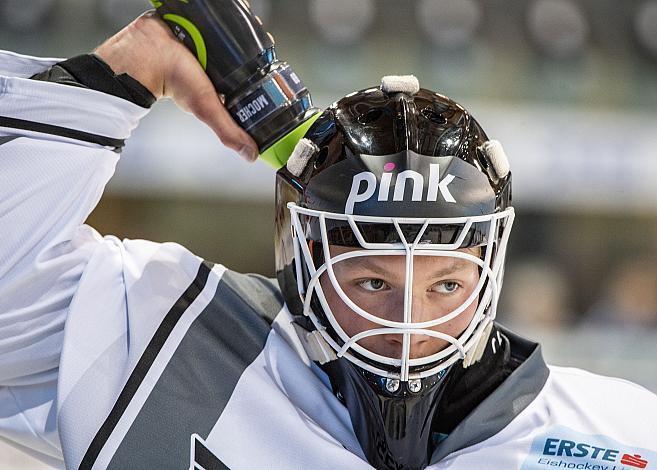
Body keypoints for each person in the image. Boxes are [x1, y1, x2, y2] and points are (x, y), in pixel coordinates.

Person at [1, 11, 656, 470]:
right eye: (372, 281)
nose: (408, 323)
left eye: (445, 284)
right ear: (301, 258)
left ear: (488, 271)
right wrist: (128, 67)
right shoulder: (163, 334)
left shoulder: (623, 438)